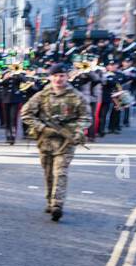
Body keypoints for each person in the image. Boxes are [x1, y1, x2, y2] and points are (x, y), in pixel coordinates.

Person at [20, 63, 90, 221]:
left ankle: (58, 204)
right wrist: (42, 127)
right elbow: (26, 114)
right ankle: (50, 201)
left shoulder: (76, 96)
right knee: (48, 173)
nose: (58, 79)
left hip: (66, 141)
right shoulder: (41, 96)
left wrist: (78, 131)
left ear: (67, 77)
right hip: (45, 141)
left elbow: (85, 117)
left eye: (62, 76)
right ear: (50, 77)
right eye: (55, 76)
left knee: (60, 172)